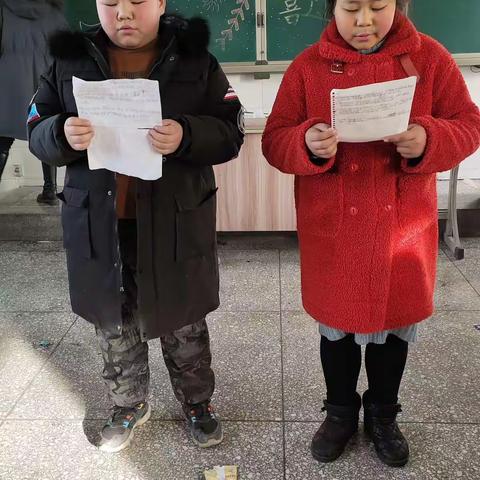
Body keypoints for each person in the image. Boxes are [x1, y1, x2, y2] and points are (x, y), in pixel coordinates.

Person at [262, 0, 480, 468]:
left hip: (401, 227)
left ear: (400, 5)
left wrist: (429, 138)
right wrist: (304, 142)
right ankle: (339, 411)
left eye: (378, 7)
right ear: (331, 8)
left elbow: (469, 125)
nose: (364, 21)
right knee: (335, 326)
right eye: (350, 8)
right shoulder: (307, 66)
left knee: (396, 325)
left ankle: (383, 413)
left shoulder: (431, 58)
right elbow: (274, 139)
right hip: (335, 228)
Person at [28, 0, 244, 453]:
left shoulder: (194, 55)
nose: (124, 12)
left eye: (137, 2)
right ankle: (128, 405)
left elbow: (231, 131)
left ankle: (197, 404)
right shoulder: (69, 57)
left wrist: (186, 134)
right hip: (102, 222)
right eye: (111, 3)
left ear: (161, 3)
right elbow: (36, 127)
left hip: (174, 221)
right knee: (114, 322)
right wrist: (61, 133)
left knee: (184, 320)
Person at [0, 0, 67, 204]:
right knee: (43, 132)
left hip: (8, 78)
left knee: (2, 138)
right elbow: (64, 53)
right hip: (44, 78)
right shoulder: (55, 12)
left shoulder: (4, 7)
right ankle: (50, 190)